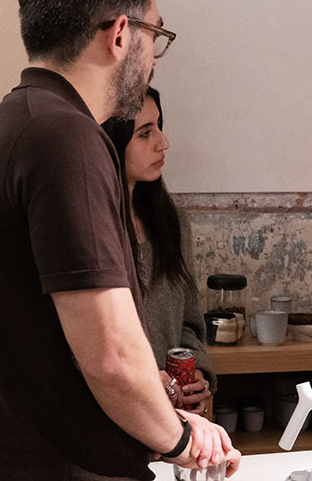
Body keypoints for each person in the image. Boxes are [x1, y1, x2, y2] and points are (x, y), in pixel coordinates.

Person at [0, 0, 239, 480]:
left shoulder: (6, 126)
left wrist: (159, 410)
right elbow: (110, 355)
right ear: (121, 34)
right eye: (155, 34)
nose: (154, 59)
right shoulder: (66, 140)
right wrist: (179, 439)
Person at [102, 87, 214, 415]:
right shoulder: (92, 231)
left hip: (173, 417)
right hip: (117, 415)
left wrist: (198, 374)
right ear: (111, 141)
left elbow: (188, 324)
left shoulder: (172, 222)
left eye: (159, 126)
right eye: (145, 133)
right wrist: (151, 382)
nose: (162, 143)